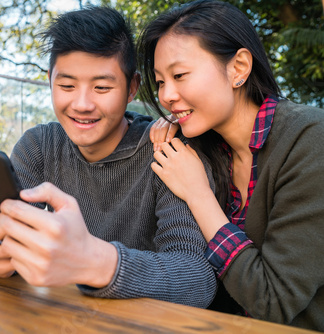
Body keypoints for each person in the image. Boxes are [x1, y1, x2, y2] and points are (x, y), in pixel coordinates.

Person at [0, 6, 217, 307]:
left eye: (102, 87)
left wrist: (95, 262)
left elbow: (196, 280)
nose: (81, 104)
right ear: (50, 81)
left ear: (131, 87)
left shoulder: (168, 150)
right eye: (67, 85)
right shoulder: (40, 146)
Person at [136, 0, 324, 330]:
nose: (166, 95)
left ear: (238, 67)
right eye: (161, 81)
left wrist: (199, 196)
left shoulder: (309, 141)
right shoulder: (201, 148)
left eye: (179, 75)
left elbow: (273, 300)